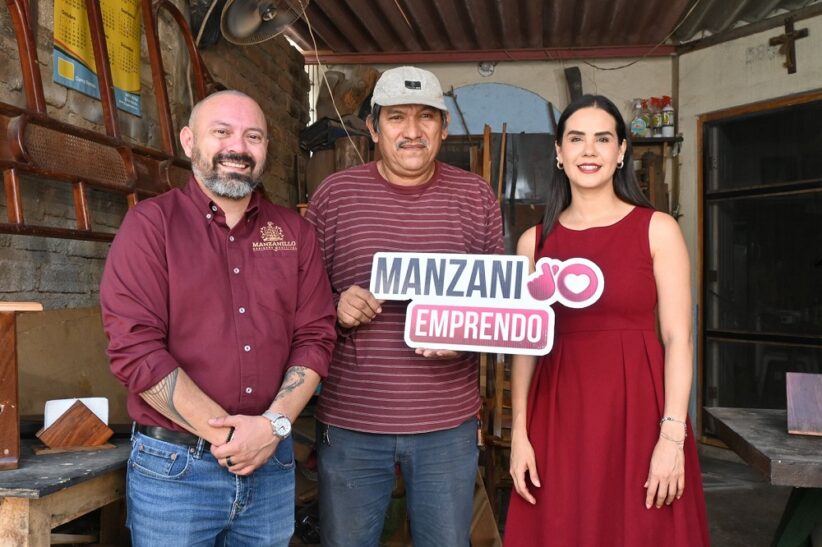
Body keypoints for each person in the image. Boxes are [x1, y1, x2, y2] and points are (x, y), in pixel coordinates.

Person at [100, 90, 337, 546]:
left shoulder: (295, 234)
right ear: (189, 141)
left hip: (271, 462)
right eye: (222, 132)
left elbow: (315, 338)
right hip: (176, 470)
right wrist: (233, 436)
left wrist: (272, 427)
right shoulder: (150, 226)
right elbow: (134, 349)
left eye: (253, 137)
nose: (238, 148)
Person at [305, 66, 504, 547]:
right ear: (373, 128)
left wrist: (466, 335)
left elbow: (498, 303)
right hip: (352, 423)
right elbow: (295, 298)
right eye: (396, 117)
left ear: (444, 127)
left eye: (425, 117)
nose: (412, 131)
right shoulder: (334, 196)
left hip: (447, 425)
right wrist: (334, 305)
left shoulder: (475, 197)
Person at [504, 94, 710, 546]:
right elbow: (524, 347)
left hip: (640, 414)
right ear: (559, 152)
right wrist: (519, 433)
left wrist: (672, 435)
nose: (589, 151)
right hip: (558, 415)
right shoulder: (533, 243)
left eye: (602, 139)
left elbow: (679, 338)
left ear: (620, 152)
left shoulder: (658, 229)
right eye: (576, 139)